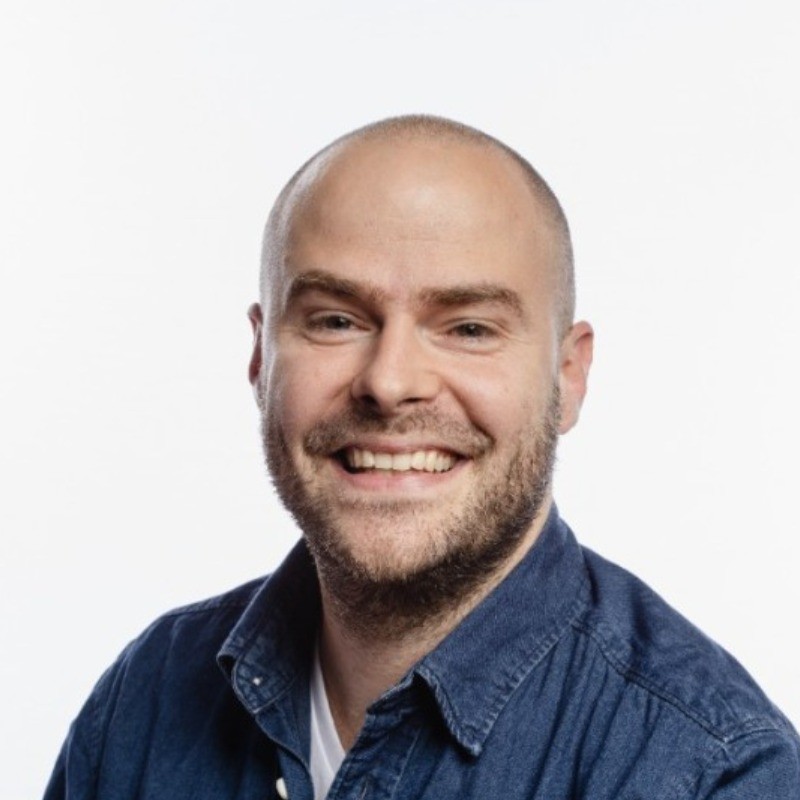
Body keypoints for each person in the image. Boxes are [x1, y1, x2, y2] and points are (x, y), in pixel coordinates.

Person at [44, 115, 799, 800]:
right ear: (261, 356)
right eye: (335, 320)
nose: (390, 382)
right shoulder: (144, 700)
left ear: (568, 378)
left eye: (468, 328)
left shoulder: (711, 772)